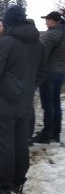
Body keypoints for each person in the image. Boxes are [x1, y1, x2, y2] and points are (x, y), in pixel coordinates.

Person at [0, 4, 46, 194]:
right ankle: (18, 182)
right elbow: (42, 72)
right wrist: (27, 89)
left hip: (3, 103)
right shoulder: (37, 44)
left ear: (8, 22)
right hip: (24, 103)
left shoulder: (5, 43)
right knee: (21, 143)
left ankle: (4, 186)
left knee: (4, 145)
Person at [30, 11, 65, 144]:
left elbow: (41, 55)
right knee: (56, 103)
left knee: (48, 104)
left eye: (48, 20)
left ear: (54, 21)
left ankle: (46, 134)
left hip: (49, 74)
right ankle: (55, 133)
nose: (46, 23)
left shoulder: (50, 35)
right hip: (61, 74)